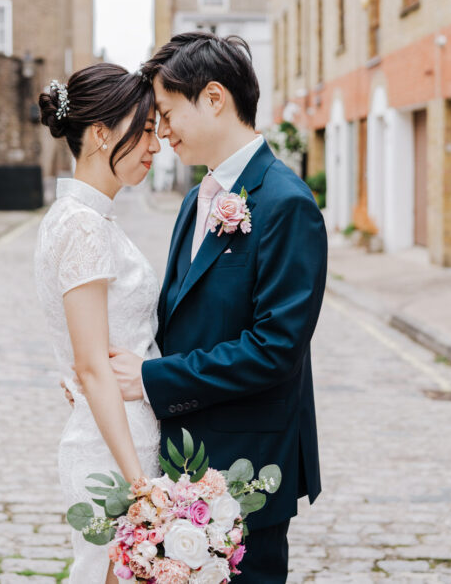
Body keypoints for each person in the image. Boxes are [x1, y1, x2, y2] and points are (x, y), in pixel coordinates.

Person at [107, 32, 327, 583]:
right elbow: (179, 317)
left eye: (165, 112)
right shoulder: (195, 199)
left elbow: (274, 349)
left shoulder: (286, 204)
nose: (160, 131)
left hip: (248, 473)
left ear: (212, 98)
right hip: (182, 462)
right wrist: (104, 368)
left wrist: (154, 378)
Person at [32, 63, 162, 583]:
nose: (156, 145)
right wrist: (139, 485)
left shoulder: (83, 217)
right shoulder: (84, 226)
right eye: (145, 129)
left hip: (121, 435)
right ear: (103, 132)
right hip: (115, 451)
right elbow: (90, 364)